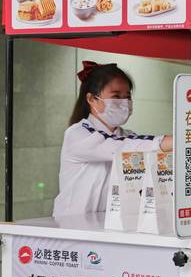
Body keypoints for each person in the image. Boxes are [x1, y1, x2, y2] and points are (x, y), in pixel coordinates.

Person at [53, 61, 173, 217]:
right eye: (116, 96)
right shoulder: (77, 134)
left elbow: (144, 153)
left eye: (127, 96)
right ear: (91, 99)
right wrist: (168, 141)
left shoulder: (128, 136)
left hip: (109, 224)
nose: (124, 102)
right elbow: (118, 148)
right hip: (71, 224)